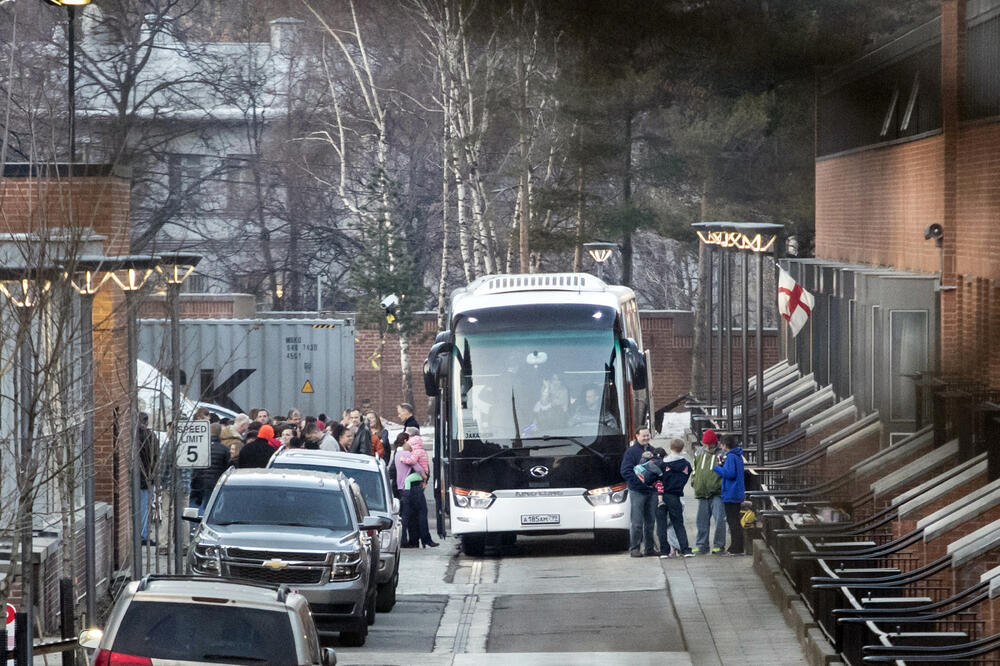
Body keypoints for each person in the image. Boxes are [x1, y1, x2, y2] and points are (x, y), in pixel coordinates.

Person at [620, 427, 657, 557]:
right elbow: (625, 471)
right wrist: (640, 483)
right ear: (637, 436)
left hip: (652, 491)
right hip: (637, 492)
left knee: (650, 522)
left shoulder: (653, 451)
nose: (646, 438)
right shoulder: (631, 452)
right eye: (643, 436)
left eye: (647, 435)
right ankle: (634, 548)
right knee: (637, 522)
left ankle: (649, 549)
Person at [397, 430, 437, 547]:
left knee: (406, 515)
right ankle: (425, 539)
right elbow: (419, 468)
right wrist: (424, 477)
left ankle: (405, 540)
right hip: (414, 487)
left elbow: (393, 471)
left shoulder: (398, 454)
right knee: (421, 512)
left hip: (403, 488)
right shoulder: (410, 454)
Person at [691, 429, 726, 555]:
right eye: (705, 444)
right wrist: (694, 482)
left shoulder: (722, 454)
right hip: (702, 491)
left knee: (719, 520)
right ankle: (702, 545)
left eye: (708, 444)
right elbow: (695, 469)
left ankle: (719, 545)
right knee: (701, 521)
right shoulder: (699, 452)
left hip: (717, 492)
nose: (707, 447)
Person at [658, 439, 694, 557]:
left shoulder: (663, 464)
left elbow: (657, 478)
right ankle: (685, 549)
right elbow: (687, 475)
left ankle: (664, 551)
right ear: (682, 449)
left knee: (662, 525)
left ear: (670, 447)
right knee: (678, 523)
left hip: (662, 495)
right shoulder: (686, 464)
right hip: (675, 495)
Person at [713, 434, 746, 556]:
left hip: (731, 493)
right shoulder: (737, 455)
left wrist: (717, 468)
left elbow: (730, 474)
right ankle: (736, 546)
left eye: (721, 444)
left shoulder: (731, 456)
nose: (721, 446)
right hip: (736, 492)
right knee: (735, 521)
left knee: (733, 522)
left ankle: (736, 548)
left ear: (725, 445)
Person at [189, 423, 232, 515]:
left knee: (199, 506)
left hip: (200, 481)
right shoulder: (224, 449)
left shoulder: (200, 447)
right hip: (216, 481)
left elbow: (196, 466)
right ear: (220, 433)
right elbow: (226, 467)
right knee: (212, 506)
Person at [137, 413, 158, 546]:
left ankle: (139, 533)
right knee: (145, 508)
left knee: (137, 508)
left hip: (135, 478)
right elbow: (155, 458)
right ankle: (143, 535)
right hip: (147, 478)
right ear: (146, 421)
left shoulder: (132, 437)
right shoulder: (150, 436)